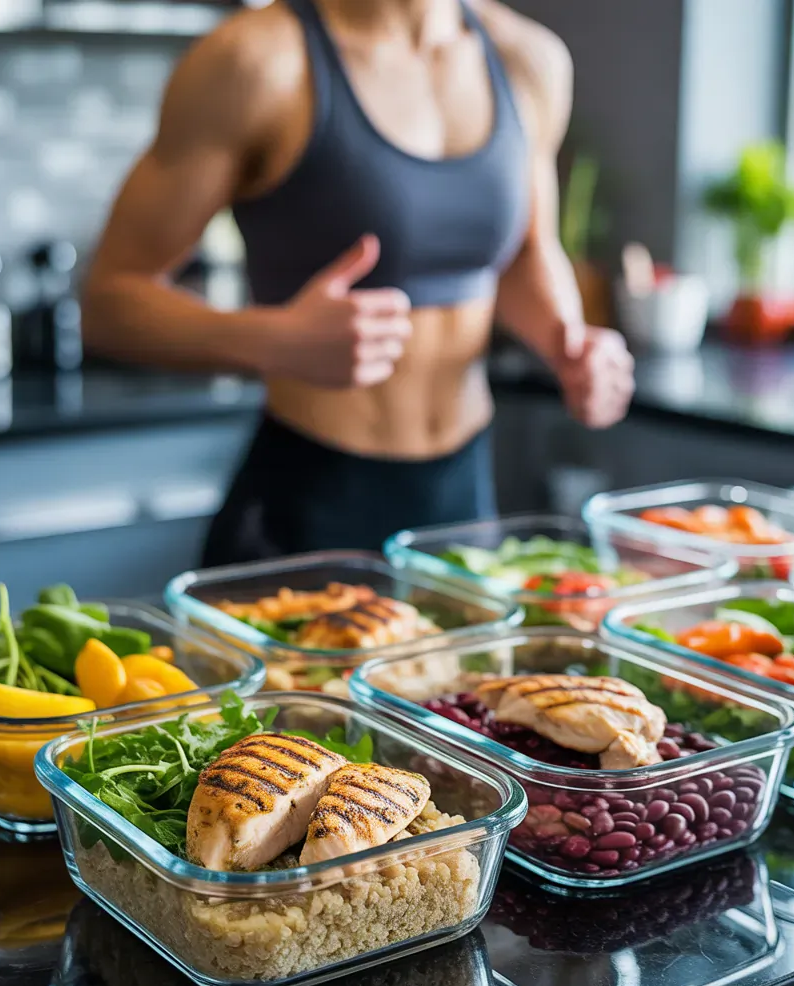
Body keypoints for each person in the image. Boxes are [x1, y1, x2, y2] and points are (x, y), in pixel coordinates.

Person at [82, 0, 635, 566]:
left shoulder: (528, 59)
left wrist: (569, 342)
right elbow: (108, 302)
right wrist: (273, 341)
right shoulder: (256, 62)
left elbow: (524, 254)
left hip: (462, 505)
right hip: (311, 503)